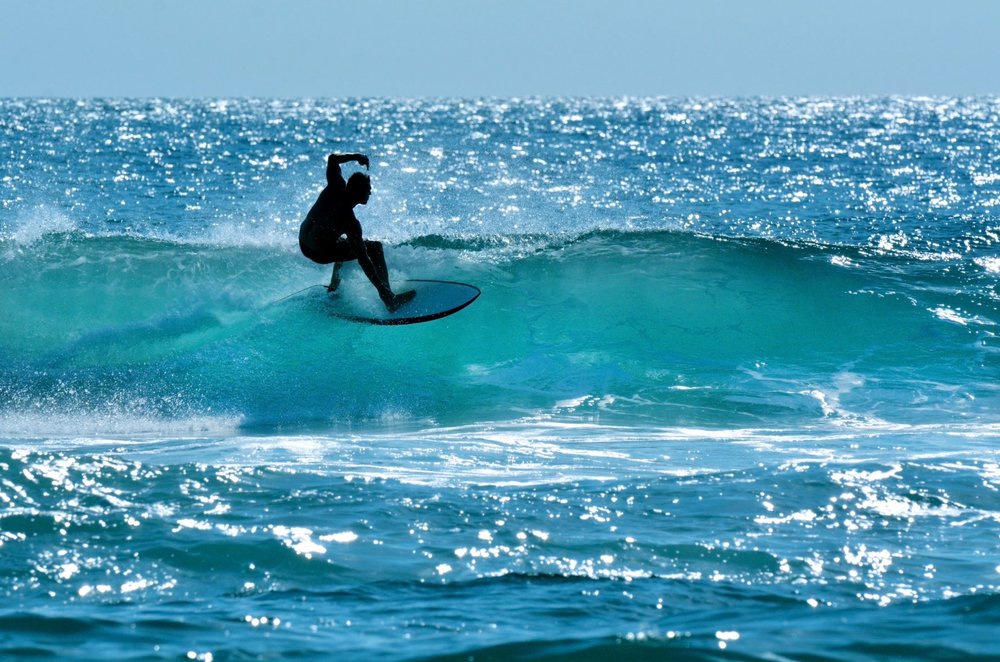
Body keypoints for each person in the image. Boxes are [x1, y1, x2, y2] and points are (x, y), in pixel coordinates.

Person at [299, 153, 415, 312]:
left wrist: (356, 157)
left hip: (304, 243)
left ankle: (334, 289)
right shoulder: (350, 223)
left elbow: (333, 159)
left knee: (341, 243)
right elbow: (364, 261)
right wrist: (381, 289)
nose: (370, 193)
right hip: (319, 253)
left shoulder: (335, 185)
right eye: (368, 190)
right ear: (359, 192)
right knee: (375, 248)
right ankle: (389, 298)